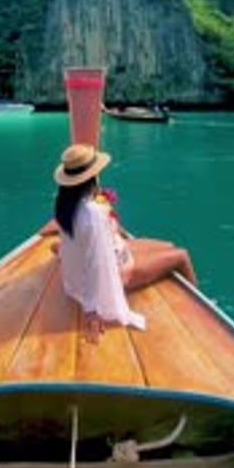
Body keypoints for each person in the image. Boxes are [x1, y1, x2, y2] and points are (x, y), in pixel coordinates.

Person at [53, 143, 198, 343]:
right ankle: (199, 310)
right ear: (92, 177)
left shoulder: (65, 204)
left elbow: (78, 245)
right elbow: (95, 264)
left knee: (168, 246)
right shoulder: (92, 214)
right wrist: (92, 311)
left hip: (108, 258)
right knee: (181, 255)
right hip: (117, 271)